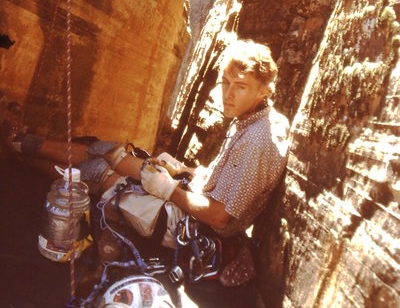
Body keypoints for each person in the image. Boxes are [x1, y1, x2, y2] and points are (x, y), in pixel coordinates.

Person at [1, 39, 289, 241]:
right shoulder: (255, 119)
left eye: (240, 87)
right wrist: (184, 171)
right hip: (191, 197)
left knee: (95, 173)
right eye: (225, 82)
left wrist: (169, 190)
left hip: (191, 227)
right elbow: (226, 181)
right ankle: (19, 141)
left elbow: (220, 217)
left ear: (263, 90)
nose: (228, 94)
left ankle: (17, 152)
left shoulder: (257, 141)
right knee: (106, 151)